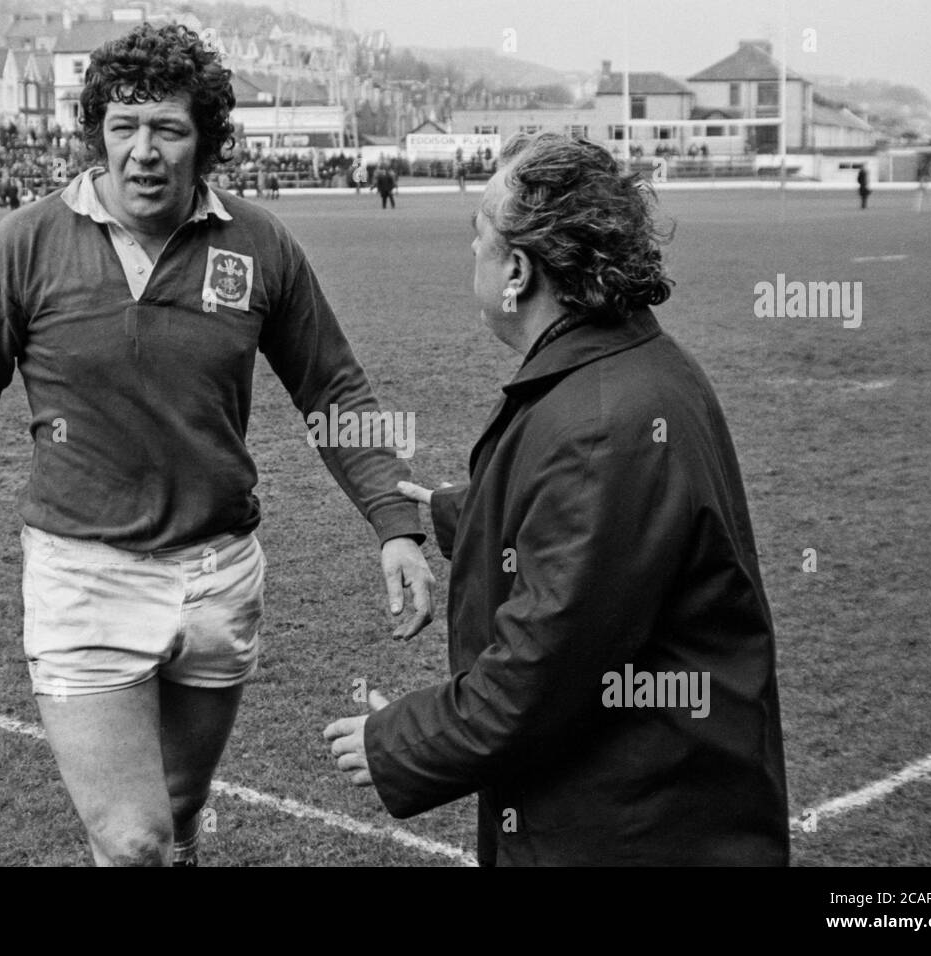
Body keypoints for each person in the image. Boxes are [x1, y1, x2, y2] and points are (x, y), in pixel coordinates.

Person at [0, 22, 434, 868]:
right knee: (132, 841)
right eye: (123, 127)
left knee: (175, 821)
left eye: (167, 129)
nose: (143, 151)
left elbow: (333, 387)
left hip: (219, 579)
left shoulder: (260, 244)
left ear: (204, 139)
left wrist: (394, 520)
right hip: (83, 579)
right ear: (96, 133)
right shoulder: (24, 246)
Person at [325, 133, 789, 866]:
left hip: (633, 828)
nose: (468, 254)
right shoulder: (629, 365)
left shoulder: (602, 424)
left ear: (516, 268)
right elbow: (597, 535)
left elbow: (543, 671)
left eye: (477, 235)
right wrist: (462, 511)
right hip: (651, 807)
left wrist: (397, 742)